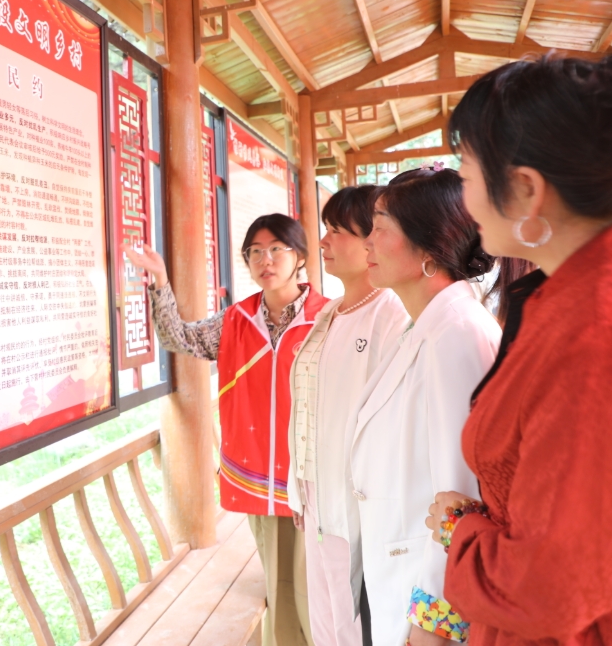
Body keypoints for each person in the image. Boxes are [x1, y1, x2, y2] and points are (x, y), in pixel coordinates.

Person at [426, 44, 612, 644]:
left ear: (527, 189)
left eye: (468, 177)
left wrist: (461, 530)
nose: (467, 202)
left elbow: (547, 585)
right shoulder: (593, 291)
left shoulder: (601, 333)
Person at [124, 213, 328, 646]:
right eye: (255, 252)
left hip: (315, 476)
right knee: (279, 584)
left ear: (300, 257)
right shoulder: (236, 319)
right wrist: (161, 281)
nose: (265, 260)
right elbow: (179, 338)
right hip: (260, 475)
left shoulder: (328, 319)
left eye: (276, 249)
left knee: (319, 588)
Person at [350, 168, 502, 645]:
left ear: (429, 250)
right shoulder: (425, 326)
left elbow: (464, 493)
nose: (367, 242)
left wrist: (434, 622)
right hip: (399, 573)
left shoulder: (456, 335)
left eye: (381, 227)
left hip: (425, 602)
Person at [286, 185, 410, 646]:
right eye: (326, 230)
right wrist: (300, 487)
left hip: (358, 501)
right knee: (327, 619)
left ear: (372, 239)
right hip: (317, 496)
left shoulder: (391, 314)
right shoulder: (331, 313)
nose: (324, 242)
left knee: (355, 620)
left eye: (338, 231)